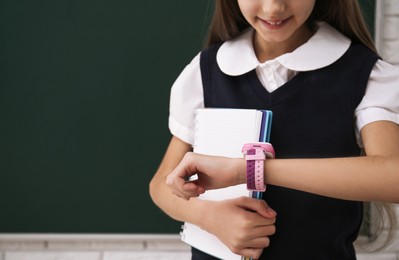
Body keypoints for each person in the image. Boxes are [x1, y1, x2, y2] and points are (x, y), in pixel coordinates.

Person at [150, 0, 399, 259]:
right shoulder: (205, 71)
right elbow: (161, 184)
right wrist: (209, 216)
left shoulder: (365, 74)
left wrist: (248, 170)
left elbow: (393, 177)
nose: (273, 8)